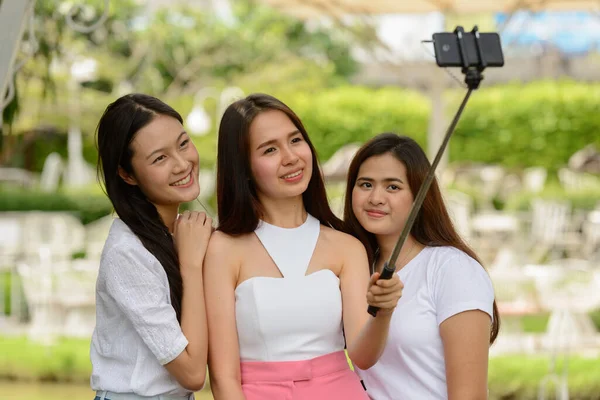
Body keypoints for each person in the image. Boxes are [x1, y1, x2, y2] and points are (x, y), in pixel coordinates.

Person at [203, 93, 403, 400]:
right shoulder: (223, 249)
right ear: (242, 166)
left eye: (295, 140)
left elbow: (363, 356)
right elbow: (223, 377)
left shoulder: (346, 246)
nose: (291, 157)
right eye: (270, 149)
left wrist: (384, 312)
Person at [344, 133, 500, 400]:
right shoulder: (352, 267)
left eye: (392, 187)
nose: (376, 198)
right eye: (365, 184)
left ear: (420, 196)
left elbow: (470, 395)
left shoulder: (453, 269)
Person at [91, 93, 212, 400]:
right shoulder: (127, 252)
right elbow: (192, 373)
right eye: (160, 158)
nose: (183, 164)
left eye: (183, 143)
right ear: (127, 174)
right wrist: (192, 265)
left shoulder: (182, 234)